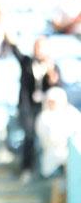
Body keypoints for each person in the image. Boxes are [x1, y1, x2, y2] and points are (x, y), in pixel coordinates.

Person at [6, 34, 61, 182]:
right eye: (36, 47)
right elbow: (15, 50)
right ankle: (27, 169)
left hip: (45, 109)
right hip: (27, 108)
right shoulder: (27, 62)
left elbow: (57, 90)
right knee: (29, 135)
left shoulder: (53, 66)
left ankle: (46, 170)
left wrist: (51, 75)